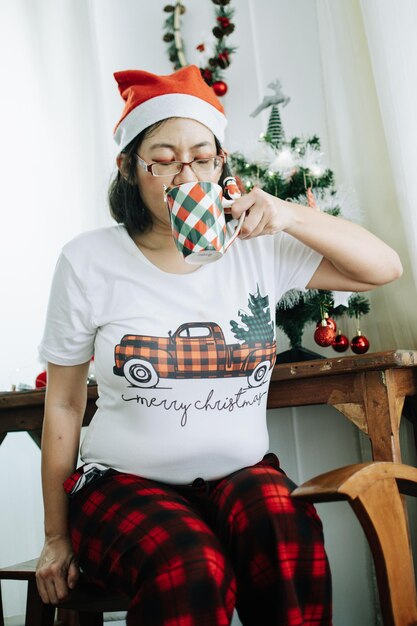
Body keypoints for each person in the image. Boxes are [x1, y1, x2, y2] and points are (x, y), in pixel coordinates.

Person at [35, 65, 402, 626]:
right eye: (163, 157)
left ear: (220, 164)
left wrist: (285, 213)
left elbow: (384, 267)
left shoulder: (259, 248)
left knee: (286, 535)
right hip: (121, 484)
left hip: (239, 473)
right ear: (130, 169)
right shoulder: (88, 261)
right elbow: (62, 402)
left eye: (202, 156)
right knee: (189, 565)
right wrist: (56, 536)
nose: (186, 172)